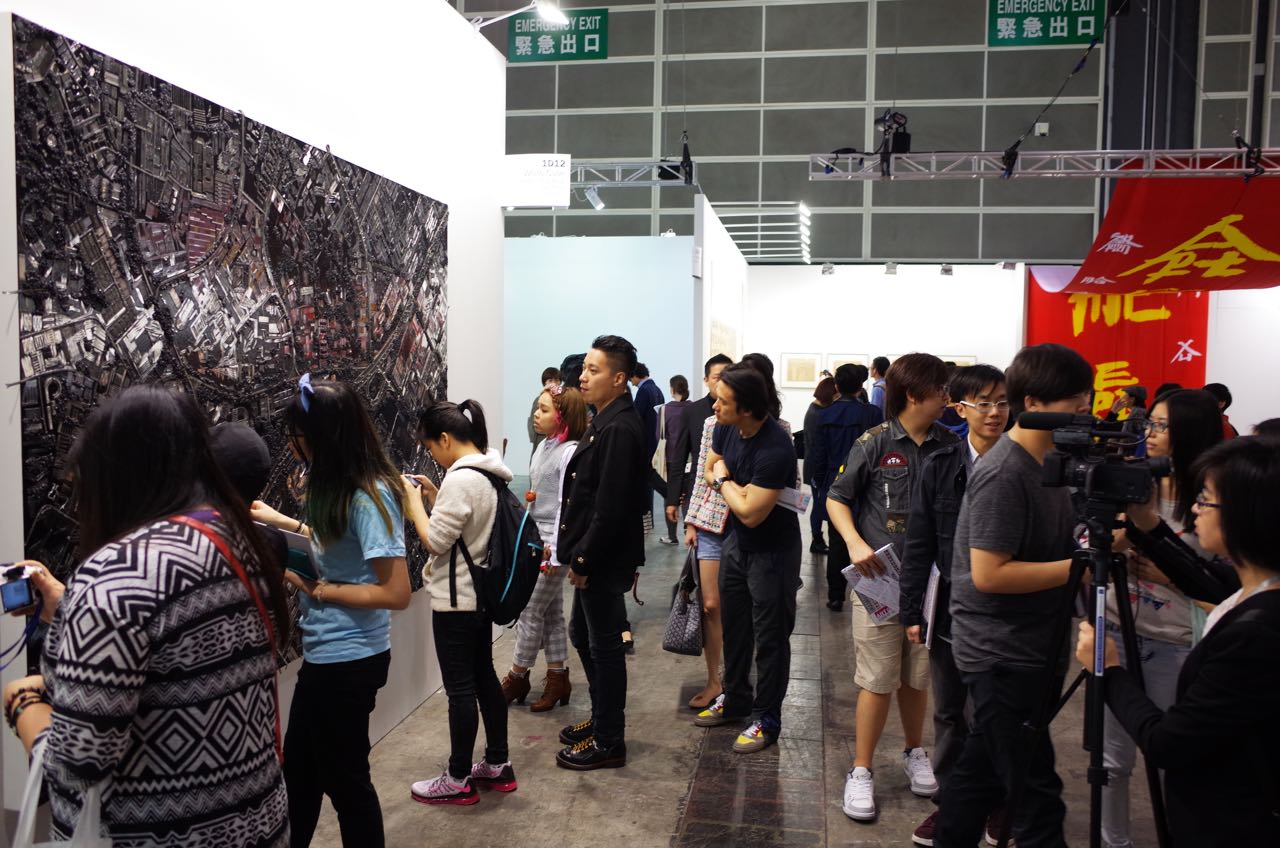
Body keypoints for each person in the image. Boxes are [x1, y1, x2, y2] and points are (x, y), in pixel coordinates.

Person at [2, 386, 291, 846]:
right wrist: (70, 610)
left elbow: (78, 763)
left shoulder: (113, 575)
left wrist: (23, 704)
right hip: (255, 823)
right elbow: (178, 668)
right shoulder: (237, 539)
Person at [1075, 437, 1280, 847]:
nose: (1197, 510)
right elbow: (1202, 578)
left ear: (1245, 515)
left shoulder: (1256, 634)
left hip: (1231, 821)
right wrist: (1147, 526)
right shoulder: (1259, 587)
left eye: (1206, 500)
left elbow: (1166, 743)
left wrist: (1108, 669)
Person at [934, 343, 1095, 848]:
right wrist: (1082, 567)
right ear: (1035, 403)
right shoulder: (1005, 472)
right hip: (1000, 650)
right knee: (1036, 793)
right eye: (1074, 400)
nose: (1085, 409)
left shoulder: (1049, 462)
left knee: (981, 772)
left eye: (1086, 398)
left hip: (1033, 644)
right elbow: (989, 574)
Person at [251, 376, 410, 848]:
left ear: (323, 436)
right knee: (301, 775)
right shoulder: (337, 484)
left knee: (346, 783)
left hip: (350, 659)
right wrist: (281, 522)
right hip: (329, 655)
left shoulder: (369, 495)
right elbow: (336, 542)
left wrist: (319, 589)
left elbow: (396, 592)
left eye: (298, 435)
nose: (292, 445)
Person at [826, 353, 956, 822]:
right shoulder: (875, 442)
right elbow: (837, 498)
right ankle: (861, 770)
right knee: (877, 679)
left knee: (917, 676)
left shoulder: (950, 445)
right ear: (915, 395)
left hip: (930, 585)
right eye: (941, 390)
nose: (947, 398)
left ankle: (915, 751)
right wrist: (855, 542)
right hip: (880, 582)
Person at [1100, 388, 1223, 847]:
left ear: (1190, 431)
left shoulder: (1211, 499)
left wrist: (1170, 574)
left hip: (1178, 641)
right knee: (1112, 761)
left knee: (1176, 758)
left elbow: (1227, 582)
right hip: (1117, 629)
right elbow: (1098, 541)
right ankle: (1114, 842)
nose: (1150, 432)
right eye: (1149, 422)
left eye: (1162, 425)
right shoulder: (1135, 482)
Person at [898, 364, 1009, 846]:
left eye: (1002, 402)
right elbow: (919, 540)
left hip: (1004, 614)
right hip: (949, 611)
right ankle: (951, 805)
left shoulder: (1023, 465)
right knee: (949, 713)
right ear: (959, 409)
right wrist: (911, 610)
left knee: (996, 714)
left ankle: (1000, 803)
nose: (995, 412)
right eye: (983, 403)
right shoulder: (941, 464)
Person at [401, 399, 517, 805]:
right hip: (478, 597)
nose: (432, 455)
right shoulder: (488, 472)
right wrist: (436, 497)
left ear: (446, 439)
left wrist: (414, 506)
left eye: (431, 447)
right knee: (484, 678)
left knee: (460, 690)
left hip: (456, 601)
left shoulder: (461, 479)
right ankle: (498, 763)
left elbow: (435, 541)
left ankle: (457, 778)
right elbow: (467, 530)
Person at [693, 362, 801, 754]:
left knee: (770, 638)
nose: (714, 406)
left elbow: (751, 512)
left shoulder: (776, 447)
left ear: (748, 409)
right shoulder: (725, 427)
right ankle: (735, 697)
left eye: (723, 401)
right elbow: (709, 467)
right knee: (735, 627)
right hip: (736, 544)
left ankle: (766, 718)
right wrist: (732, 487)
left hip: (773, 552)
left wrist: (725, 480)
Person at [555, 335, 648, 770]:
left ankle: (610, 739)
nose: (583, 377)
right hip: (597, 554)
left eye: (593, 370)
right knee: (583, 635)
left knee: (606, 646)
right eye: (584, 368)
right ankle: (602, 718)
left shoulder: (620, 428)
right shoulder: (606, 419)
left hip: (604, 559)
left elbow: (609, 507)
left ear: (619, 378)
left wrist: (583, 559)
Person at [501, 386, 589, 711]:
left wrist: (556, 546)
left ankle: (517, 675)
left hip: (553, 545)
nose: (536, 415)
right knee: (551, 613)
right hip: (537, 540)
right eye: (537, 408)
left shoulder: (569, 453)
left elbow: (568, 505)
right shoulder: (543, 447)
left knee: (529, 609)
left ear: (563, 417)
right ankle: (557, 677)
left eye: (544, 409)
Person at [678, 355, 736, 710]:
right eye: (717, 377)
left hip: (746, 524)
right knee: (710, 604)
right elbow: (702, 474)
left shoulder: (775, 426)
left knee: (739, 607)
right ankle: (715, 679)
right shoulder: (711, 423)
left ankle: (736, 677)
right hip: (711, 523)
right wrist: (691, 521)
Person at [809, 363, 883, 611]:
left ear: (837, 386)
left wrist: (820, 482)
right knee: (868, 536)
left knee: (838, 540)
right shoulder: (872, 414)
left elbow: (818, 454)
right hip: (867, 483)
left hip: (835, 481)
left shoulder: (824, 415)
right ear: (861, 385)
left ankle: (836, 595)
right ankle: (867, 594)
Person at [666, 354, 733, 529]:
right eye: (717, 377)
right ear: (706, 380)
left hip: (733, 492)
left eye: (728, 376)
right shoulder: (692, 411)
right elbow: (680, 457)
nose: (723, 382)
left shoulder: (740, 412)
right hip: (698, 491)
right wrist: (672, 499)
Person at [631, 362, 669, 538]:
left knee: (645, 480)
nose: (631, 382)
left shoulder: (643, 391)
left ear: (635, 375)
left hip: (644, 442)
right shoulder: (657, 390)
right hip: (656, 442)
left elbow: (636, 417)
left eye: (631, 378)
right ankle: (650, 519)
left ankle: (645, 519)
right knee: (650, 480)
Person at [654, 375, 693, 545]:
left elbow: (659, 436)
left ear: (672, 389)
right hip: (689, 458)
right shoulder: (693, 407)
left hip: (670, 458)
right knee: (687, 495)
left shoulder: (664, 410)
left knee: (670, 495)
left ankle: (672, 536)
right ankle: (688, 530)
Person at [802, 376, 838, 554]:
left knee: (818, 504)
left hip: (814, 466)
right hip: (816, 468)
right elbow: (818, 447)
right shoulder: (818, 414)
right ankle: (817, 540)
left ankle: (817, 539)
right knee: (818, 505)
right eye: (836, 394)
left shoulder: (815, 410)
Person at [527, 366, 562, 451]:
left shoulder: (564, 399)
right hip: (540, 441)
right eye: (550, 380)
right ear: (544, 383)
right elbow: (532, 423)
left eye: (556, 380)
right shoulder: (538, 400)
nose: (553, 383)